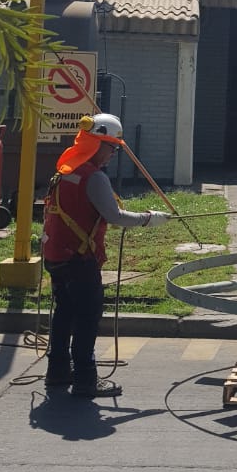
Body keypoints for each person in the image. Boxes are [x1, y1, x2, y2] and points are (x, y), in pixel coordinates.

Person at [40, 113, 172, 398]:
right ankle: (85, 379)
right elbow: (115, 216)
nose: (113, 154)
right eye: (111, 147)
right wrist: (149, 219)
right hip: (80, 261)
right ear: (97, 144)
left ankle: (57, 371)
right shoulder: (94, 177)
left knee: (64, 313)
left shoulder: (64, 170)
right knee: (87, 319)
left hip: (56, 256)